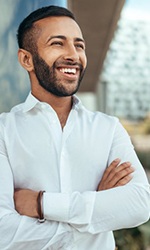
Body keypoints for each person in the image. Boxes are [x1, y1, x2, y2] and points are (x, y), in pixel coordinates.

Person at [0, 5, 149, 250]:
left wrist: (42, 204)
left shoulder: (108, 128)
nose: (73, 55)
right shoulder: (4, 131)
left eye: (79, 45)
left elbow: (140, 204)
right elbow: (4, 232)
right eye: (58, 43)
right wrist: (98, 210)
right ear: (26, 59)